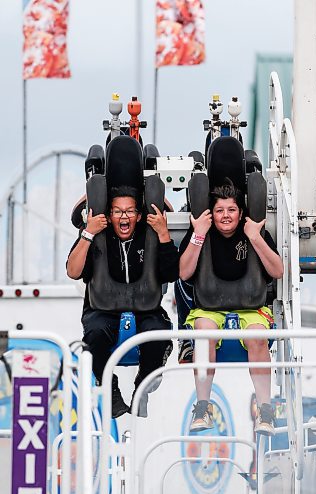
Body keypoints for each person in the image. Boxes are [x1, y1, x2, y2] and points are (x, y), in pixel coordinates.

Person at [179, 181, 283, 435]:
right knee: (203, 333)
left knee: (258, 336)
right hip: (210, 308)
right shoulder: (202, 234)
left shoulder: (256, 233)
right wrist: (198, 234)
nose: (226, 216)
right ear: (211, 215)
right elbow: (184, 272)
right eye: (219, 210)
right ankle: (203, 406)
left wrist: (255, 238)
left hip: (250, 308)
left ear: (240, 212)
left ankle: (265, 410)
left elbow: (278, 271)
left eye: (231, 210)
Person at [67, 185, 179, 418]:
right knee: (94, 334)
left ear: (139, 216)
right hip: (103, 309)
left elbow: (170, 274)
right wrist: (88, 233)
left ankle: (143, 387)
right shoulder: (96, 237)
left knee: (158, 331)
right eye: (118, 212)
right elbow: (73, 271)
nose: (124, 216)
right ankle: (110, 389)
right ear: (109, 216)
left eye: (129, 211)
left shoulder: (150, 236)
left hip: (145, 308)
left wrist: (163, 233)